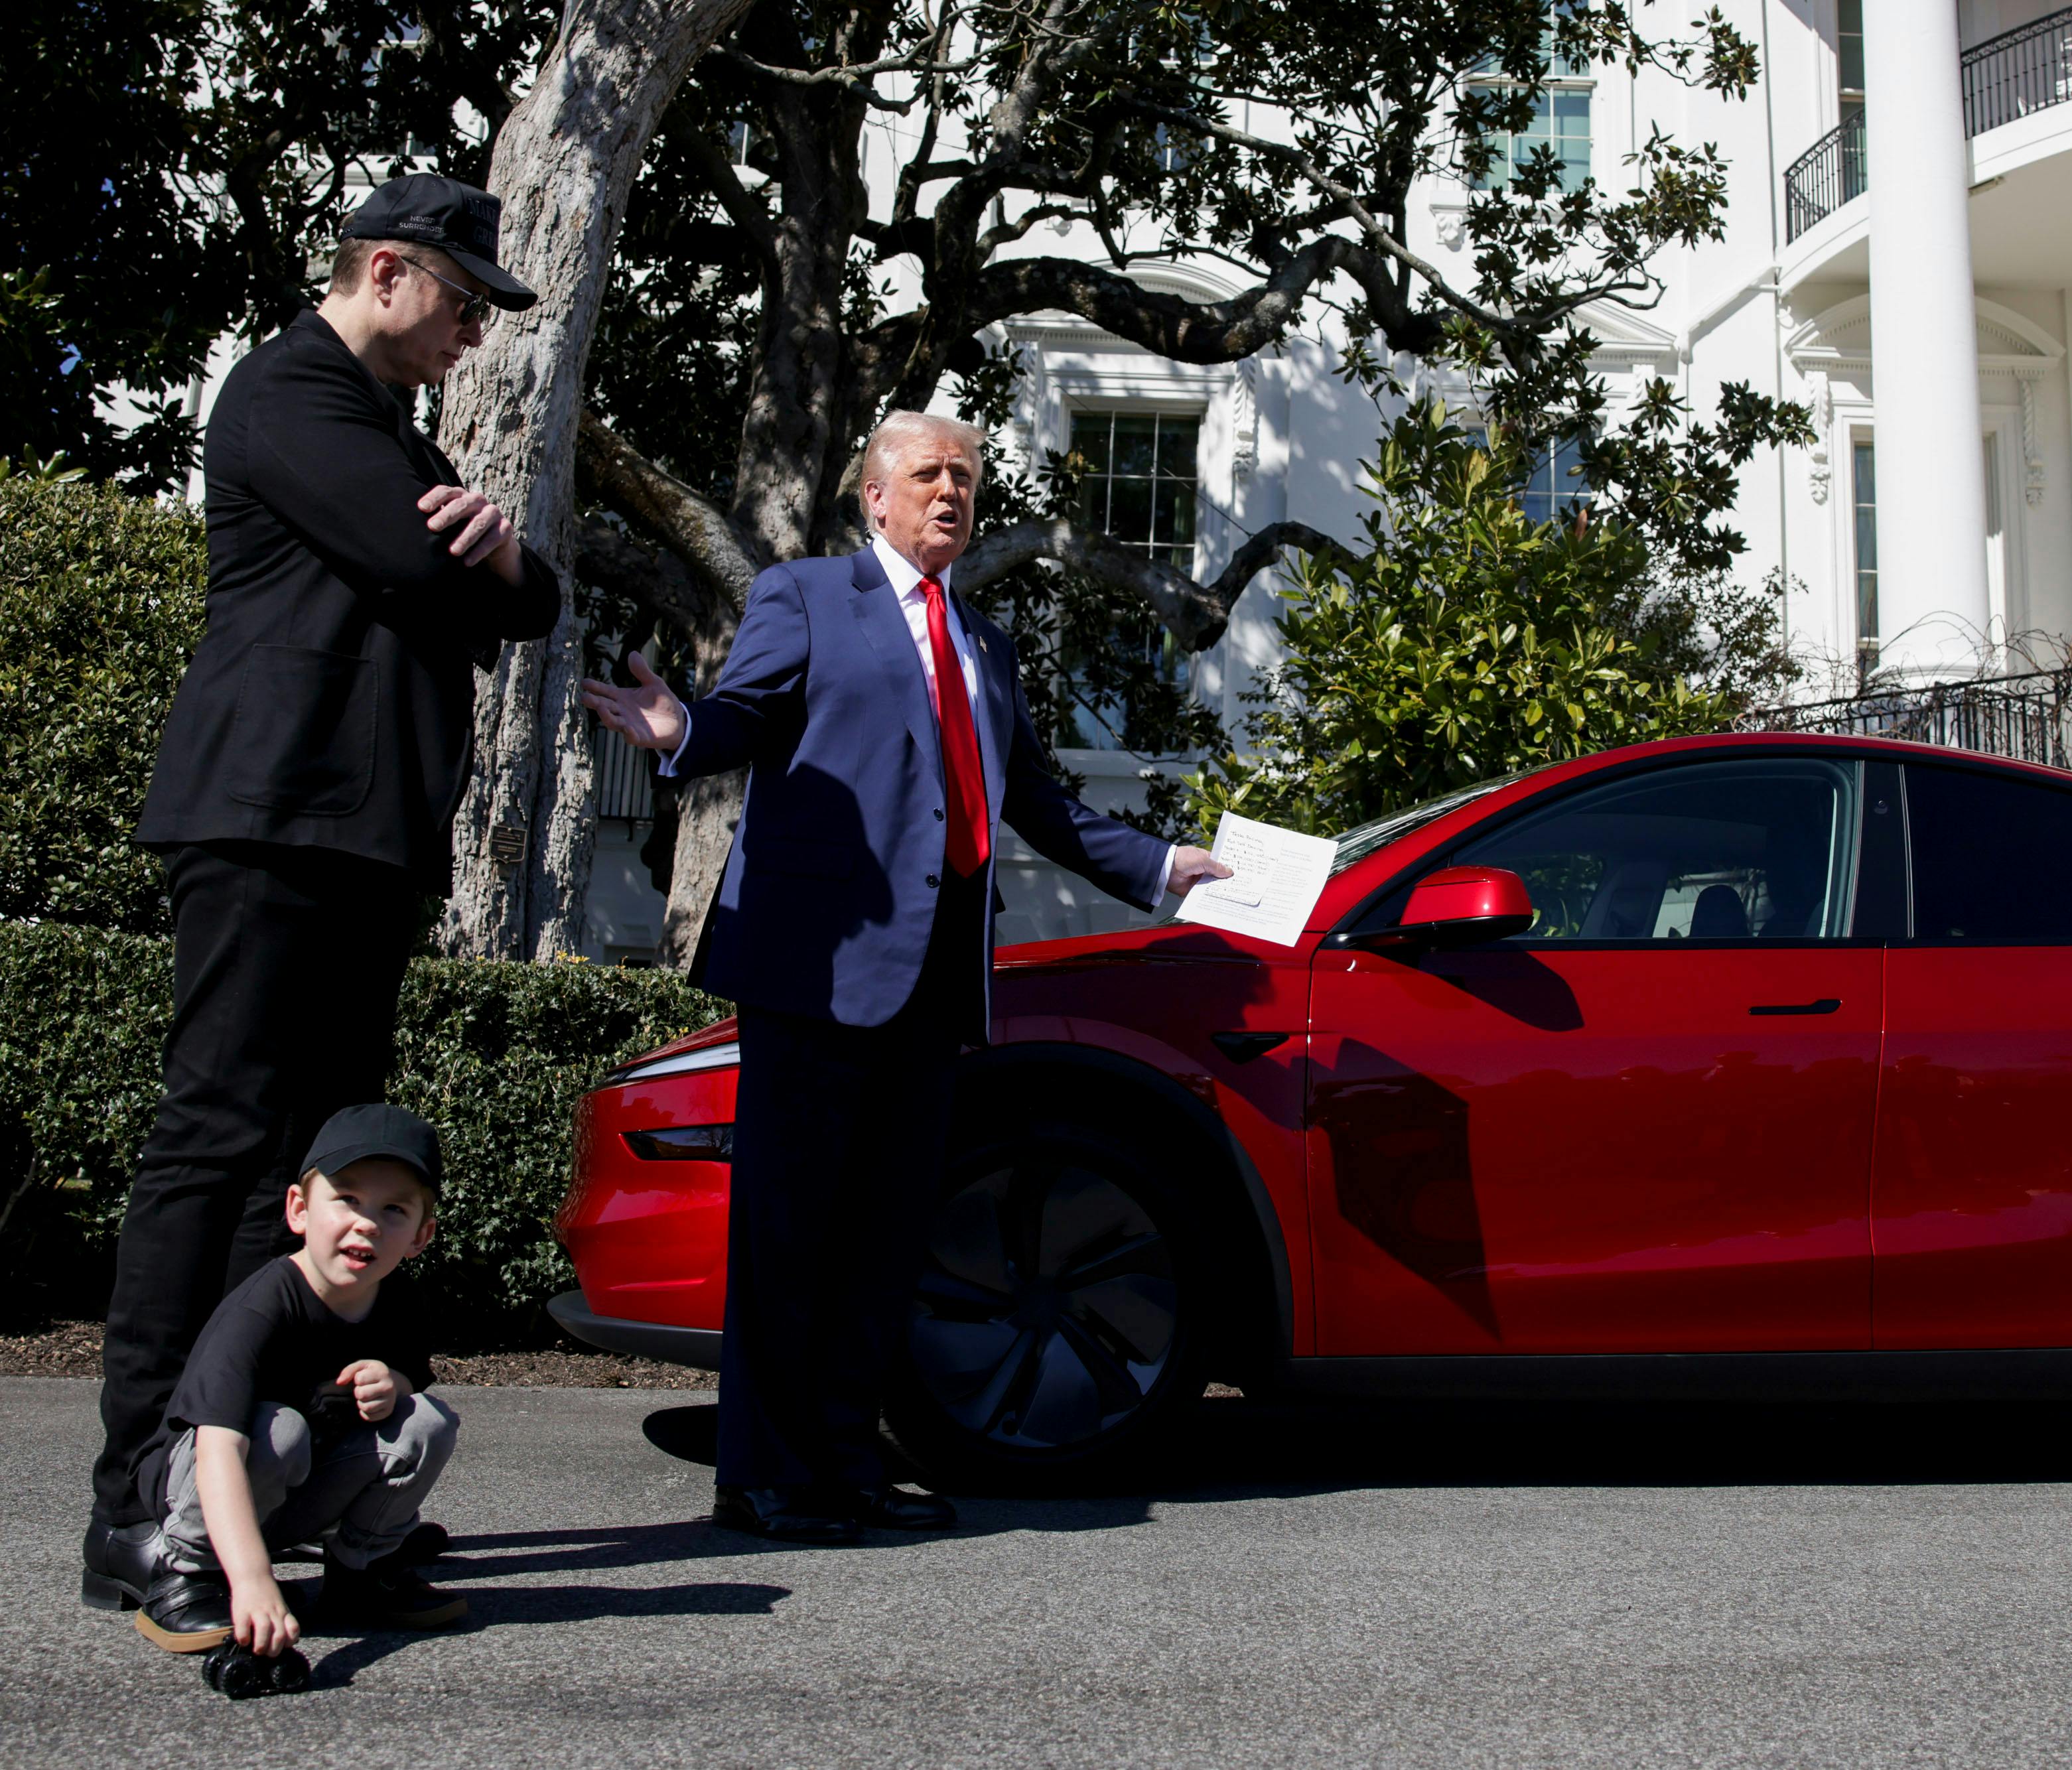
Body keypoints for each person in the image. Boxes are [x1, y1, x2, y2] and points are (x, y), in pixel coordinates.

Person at [582, 411, 1230, 1540]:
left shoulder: (984, 638)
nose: (951, 492)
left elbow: (1035, 798)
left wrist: (1163, 863)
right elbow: (743, 714)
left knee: (883, 1234)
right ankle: (764, 1473)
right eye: (928, 473)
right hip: (822, 963)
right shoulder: (807, 596)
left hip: (937, 974)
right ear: (873, 497)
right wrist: (680, 729)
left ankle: (843, 1461)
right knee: (793, 1229)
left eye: (967, 478)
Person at [84, 173, 559, 1608]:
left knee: (301, 1169)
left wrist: (501, 561)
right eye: (464, 300)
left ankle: (251, 1480)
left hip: (363, 835)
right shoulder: (289, 395)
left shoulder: (388, 431)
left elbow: (525, 601)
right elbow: (422, 559)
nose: (474, 332)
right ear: (386, 271)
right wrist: (478, 561)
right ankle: (136, 1504)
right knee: (216, 1142)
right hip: (269, 818)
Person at [130, 1105, 465, 1657]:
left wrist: (394, 1382)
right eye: (348, 1199)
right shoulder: (263, 1307)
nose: (368, 1222)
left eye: (394, 1209)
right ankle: (187, 1575)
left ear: (419, 1236)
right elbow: (218, 1450)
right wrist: (254, 1581)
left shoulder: (398, 1298)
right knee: (278, 1429)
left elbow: (410, 1383)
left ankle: (362, 1572)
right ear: (299, 1209)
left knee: (427, 1420)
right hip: (208, 1490)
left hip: (297, 1497)